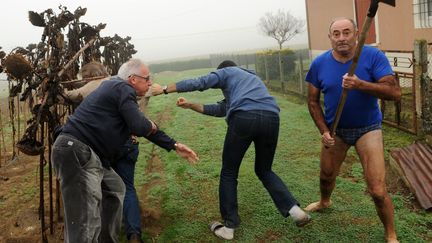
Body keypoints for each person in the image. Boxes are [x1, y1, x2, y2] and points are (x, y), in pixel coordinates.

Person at [152, 60, 311, 241]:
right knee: (265, 170)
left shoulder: (227, 72)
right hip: (271, 117)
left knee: (229, 171)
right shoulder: (250, 79)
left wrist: (164, 89)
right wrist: (191, 105)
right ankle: (296, 211)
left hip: (244, 118)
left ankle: (229, 227)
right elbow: (221, 109)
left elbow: (200, 82)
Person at [51, 58, 199, 243]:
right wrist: (149, 124)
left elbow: (140, 126)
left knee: (115, 187)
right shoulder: (121, 88)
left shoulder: (117, 90)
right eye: (147, 78)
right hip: (76, 151)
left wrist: (174, 145)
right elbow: (139, 125)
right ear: (132, 79)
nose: (151, 82)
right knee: (84, 222)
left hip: (90, 154)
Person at [304, 18, 401, 243]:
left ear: (357, 34)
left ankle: (391, 234)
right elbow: (312, 101)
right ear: (330, 38)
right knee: (326, 175)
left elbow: (394, 92)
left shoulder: (373, 56)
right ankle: (325, 201)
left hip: (368, 129)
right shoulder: (319, 64)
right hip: (335, 130)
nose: (342, 38)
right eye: (336, 34)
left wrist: (360, 84)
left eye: (346, 32)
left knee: (377, 190)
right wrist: (324, 131)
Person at [60, 61, 159, 242]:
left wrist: (57, 90)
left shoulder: (99, 86)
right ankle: (132, 233)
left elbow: (71, 95)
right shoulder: (140, 87)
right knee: (123, 187)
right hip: (130, 143)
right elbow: (156, 89)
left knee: (96, 190)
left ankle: (96, 232)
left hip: (105, 144)